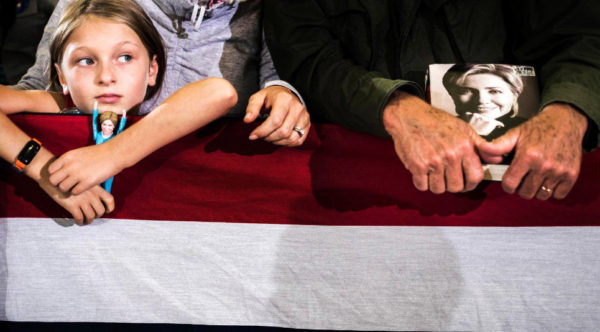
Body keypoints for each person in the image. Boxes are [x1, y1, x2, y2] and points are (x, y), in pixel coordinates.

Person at [263, 0, 599, 201]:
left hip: (531, 200)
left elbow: (584, 34)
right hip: (363, 194)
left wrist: (570, 110)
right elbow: (305, 56)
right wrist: (395, 107)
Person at [0, 0, 238, 222]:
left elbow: (220, 92)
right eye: (86, 61)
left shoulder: (161, 110)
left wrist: (111, 156)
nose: (106, 77)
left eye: (125, 57)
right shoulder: (62, 104)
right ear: (62, 76)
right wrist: (44, 169)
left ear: (152, 70)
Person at [442, 64, 526, 141]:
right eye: (466, 91)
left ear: (514, 96)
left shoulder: (530, 129)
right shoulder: (437, 128)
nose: (481, 100)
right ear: (452, 95)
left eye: (494, 91)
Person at [92, 103, 127, 193]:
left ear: (114, 126)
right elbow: (94, 123)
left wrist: (123, 117)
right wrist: (95, 109)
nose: (106, 127)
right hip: (97, 165)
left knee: (107, 188)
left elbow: (121, 130)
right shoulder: (98, 135)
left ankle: (106, 204)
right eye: (104, 124)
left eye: (110, 125)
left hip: (109, 166)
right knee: (96, 188)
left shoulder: (115, 137)